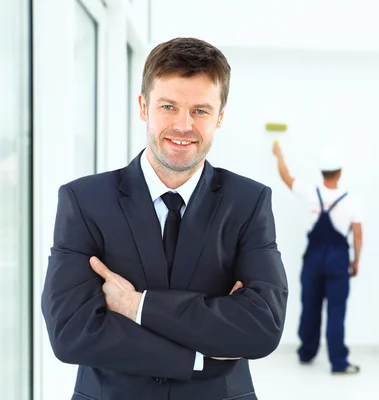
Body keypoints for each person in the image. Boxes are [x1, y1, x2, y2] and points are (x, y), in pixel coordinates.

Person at [41, 37, 289, 400]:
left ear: (220, 116)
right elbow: (70, 331)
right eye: (168, 106)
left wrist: (134, 306)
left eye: (201, 111)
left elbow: (262, 326)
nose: (183, 125)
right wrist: (197, 356)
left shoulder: (248, 202)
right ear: (144, 107)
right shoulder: (84, 201)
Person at [272, 140, 362, 375]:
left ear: (323, 171)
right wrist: (356, 261)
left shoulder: (311, 192)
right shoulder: (351, 199)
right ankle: (339, 362)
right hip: (338, 259)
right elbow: (358, 234)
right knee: (336, 310)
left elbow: (286, 176)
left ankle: (306, 353)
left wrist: (278, 154)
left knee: (310, 306)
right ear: (340, 172)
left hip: (313, 258)